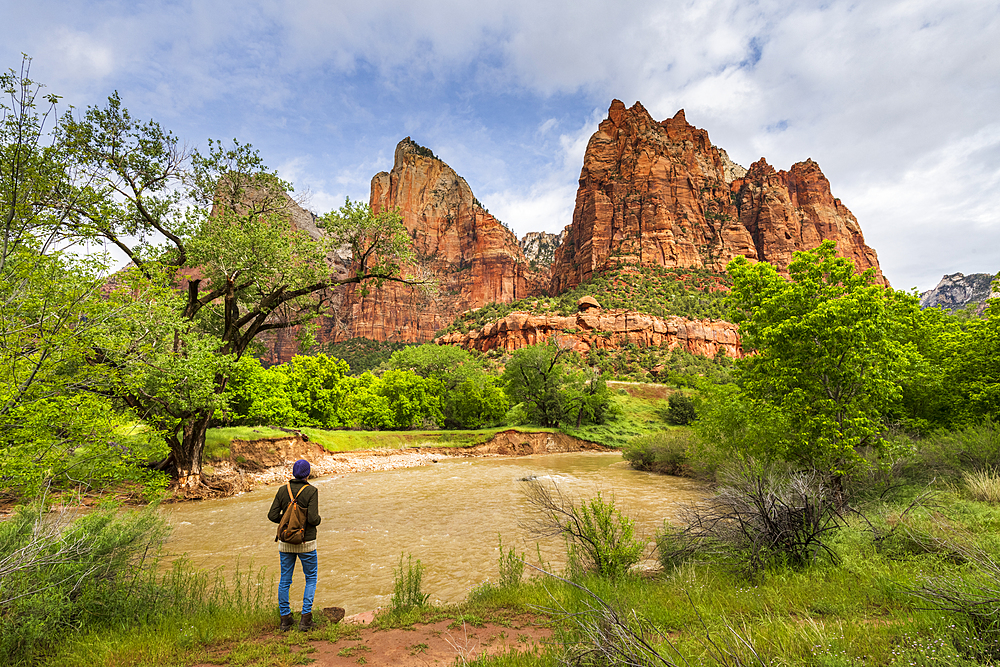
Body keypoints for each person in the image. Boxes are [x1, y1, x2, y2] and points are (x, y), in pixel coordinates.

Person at [267, 458, 321, 631]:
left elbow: (272, 515)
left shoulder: (283, 490)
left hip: (286, 543)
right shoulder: (311, 491)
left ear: (293, 473)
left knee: (285, 580)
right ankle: (305, 620)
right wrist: (317, 520)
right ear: (307, 474)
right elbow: (313, 519)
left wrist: (288, 521)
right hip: (306, 542)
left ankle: (285, 619)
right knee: (310, 578)